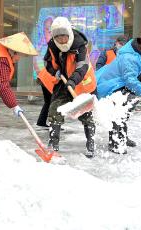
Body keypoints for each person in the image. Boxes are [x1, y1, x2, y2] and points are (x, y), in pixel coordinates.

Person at [39, 17, 97, 158]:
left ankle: (91, 143)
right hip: (64, 81)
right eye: (58, 37)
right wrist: (54, 71)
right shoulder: (52, 45)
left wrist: (72, 81)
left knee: (86, 114)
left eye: (64, 36)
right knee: (55, 109)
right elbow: (49, 62)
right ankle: (53, 144)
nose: (62, 40)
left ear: (69, 34)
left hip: (82, 82)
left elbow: (82, 67)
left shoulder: (79, 45)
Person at [96, 34, 141, 154]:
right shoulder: (130, 57)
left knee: (125, 112)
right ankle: (115, 143)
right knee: (119, 112)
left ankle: (123, 137)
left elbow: (140, 78)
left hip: (121, 85)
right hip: (110, 86)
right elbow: (130, 79)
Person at [36, 17, 54, 128]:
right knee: (52, 102)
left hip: (45, 78)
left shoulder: (51, 46)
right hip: (48, 79)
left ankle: (41, 122)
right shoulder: (51, 46)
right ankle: (53, 123)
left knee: (49, 102)